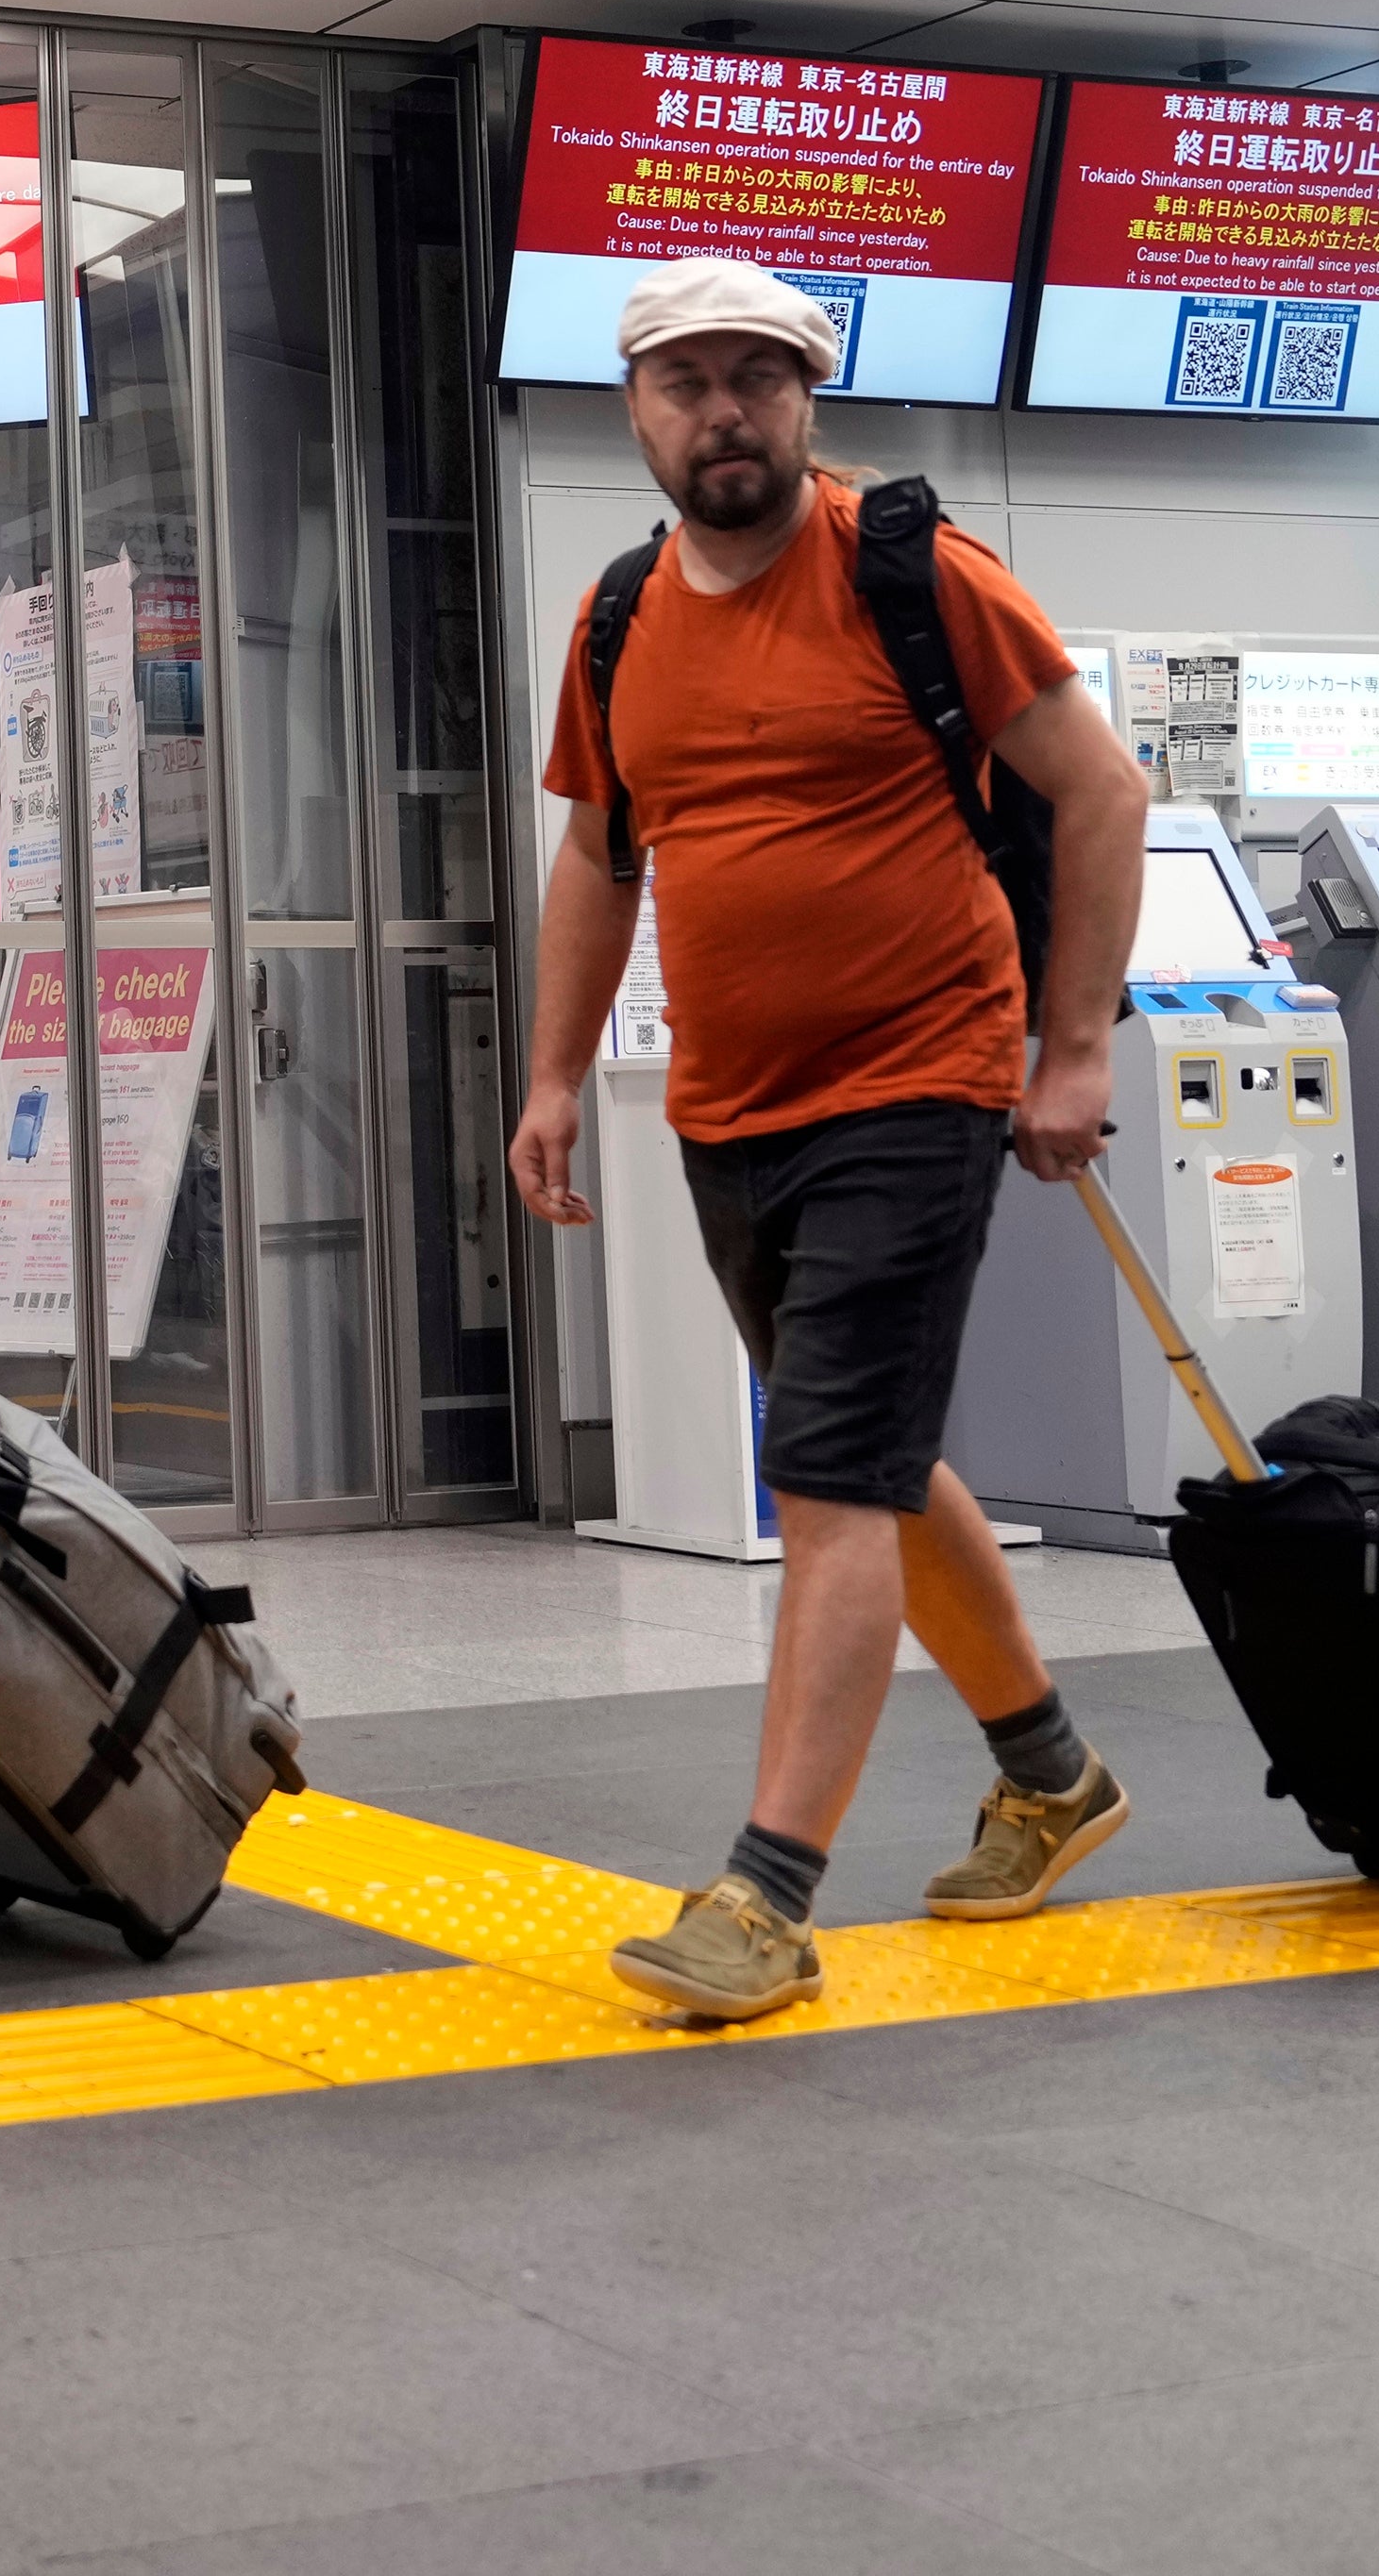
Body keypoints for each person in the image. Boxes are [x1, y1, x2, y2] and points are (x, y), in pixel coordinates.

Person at [511, 258, 1155, 2026]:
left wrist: (1073, 1046)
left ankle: (765, 1896)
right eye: (683, 383)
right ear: (635, 411)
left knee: (824, 1477)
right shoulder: (620, 617)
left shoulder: (915, 573)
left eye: (756, 380)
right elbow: (598, 857)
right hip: (729, 1104)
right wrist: (555, 1076)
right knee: (858, 1453)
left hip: (920, 1080)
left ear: (808, 398)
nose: (721, 412)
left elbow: (1102, 791)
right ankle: (1051, 1772)